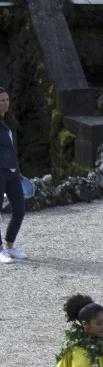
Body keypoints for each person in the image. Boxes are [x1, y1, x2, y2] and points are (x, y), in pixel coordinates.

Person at [0, 87, 27, 264]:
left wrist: (18, 169)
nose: (5, 103)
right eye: (2, 100)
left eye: (7, 100)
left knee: (19, 209)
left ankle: (10, 245)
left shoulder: (10, 121)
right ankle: (0, 250)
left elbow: (13, 149)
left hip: (12, 170)